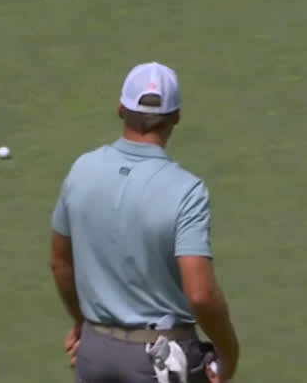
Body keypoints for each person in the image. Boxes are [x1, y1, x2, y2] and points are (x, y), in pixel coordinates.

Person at [50, 61, 242, 382]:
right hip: (160, 362)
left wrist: (82, 323)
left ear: (120, 110)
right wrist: (229, 351)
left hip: (94, 353)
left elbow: (60, 263)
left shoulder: (81, 170)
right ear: (176, 117)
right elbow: (200, 294)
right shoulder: (187, 191)